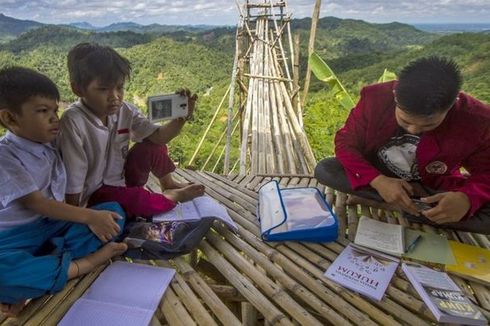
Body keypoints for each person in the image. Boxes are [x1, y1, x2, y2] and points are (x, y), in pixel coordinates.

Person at [0, 67, 128, 317]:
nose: (54, 118)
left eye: (55, 110)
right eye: (42, 111)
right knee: (3, 274)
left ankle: (41, 274)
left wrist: (96, 216)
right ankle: (83, 264)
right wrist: (89, 216)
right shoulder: (5, 156)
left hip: (52, 228)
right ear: (10, 118)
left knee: (113, 214)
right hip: (12, 239)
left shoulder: (49, 143)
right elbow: (37, 203)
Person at [315, 56, 490, 234]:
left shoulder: (478, 120)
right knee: (326, 169)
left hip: (431, 186)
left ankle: (406, 207)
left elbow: (486, 171)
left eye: (428, 125)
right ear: (395, 95)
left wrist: (467, 199)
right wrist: (378, 181)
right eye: (405, 121)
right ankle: (417, 212)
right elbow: (346, 143)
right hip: (379, 174)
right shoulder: (375, 98)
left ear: (451, 105)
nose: (414, 130)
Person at [58, 43, 205, 218]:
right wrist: (76, 216)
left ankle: (169, 184)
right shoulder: (73, 121)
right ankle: (171, 197)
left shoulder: (125, 110)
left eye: (119, 87)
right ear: (78, 89)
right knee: (138, 200)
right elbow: (74, 177)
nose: (115, 96)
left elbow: (159, 137)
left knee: (152, 146)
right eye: (103, 89)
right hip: (95, 195)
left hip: (122, 180)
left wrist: (181, 118)